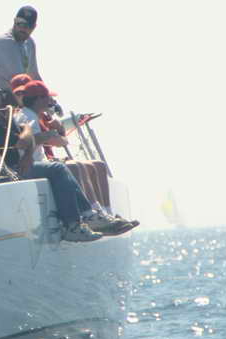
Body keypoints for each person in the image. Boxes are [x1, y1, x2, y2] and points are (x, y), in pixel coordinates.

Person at [15, 80, 136, 237]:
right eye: (46, 97)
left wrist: (54, 133)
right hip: (32, 164)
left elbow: (55, 141)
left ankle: (103, 214)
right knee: (71, 167)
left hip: (40, 161)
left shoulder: (33, 115)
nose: (50, 100)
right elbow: (29, 141)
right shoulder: (27, 116)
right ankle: (88, 216)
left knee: (96, 165)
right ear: (38, 99)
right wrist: (51, 134)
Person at [0, 6, 42, 92]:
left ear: (34, 27)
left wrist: (47, 96)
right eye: (21, 24)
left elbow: (34, 75)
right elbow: (19, 79)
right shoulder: (4, 42)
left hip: (10, 94)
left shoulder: (29, 43)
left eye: (29, 26)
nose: (24, 28)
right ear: (14, 21)